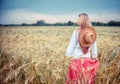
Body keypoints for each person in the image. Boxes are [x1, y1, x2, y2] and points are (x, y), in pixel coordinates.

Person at [65, 13, 100, 84]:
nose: (77, 20)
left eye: (79, 19)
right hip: (87, 63)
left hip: (76, 62)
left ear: (83, 20)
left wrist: (67, 56)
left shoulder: (76, 32)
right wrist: (95, 56)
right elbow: (94, 46)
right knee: (86, 81)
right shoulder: (91, 32)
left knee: (74, 81)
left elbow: (71, 45)